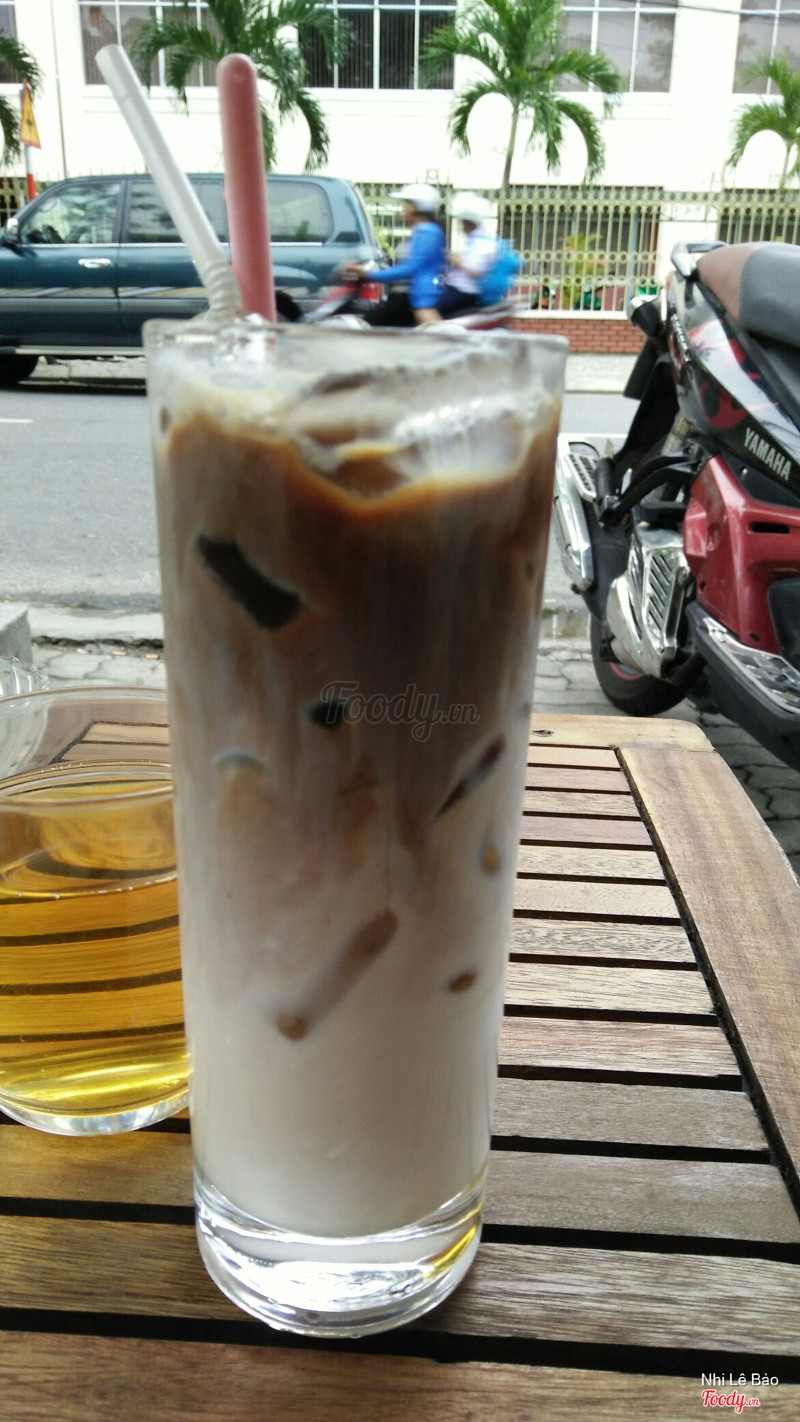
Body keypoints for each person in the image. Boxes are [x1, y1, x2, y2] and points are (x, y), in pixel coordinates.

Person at [347, 184, 445, 327]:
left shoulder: (427, 232)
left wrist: (370, 275)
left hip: (420, 298)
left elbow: (411, 268)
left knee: (368, 324)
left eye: (406, 204)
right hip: (413, 296)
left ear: (416, 207)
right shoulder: (423, 232)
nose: (403, 208)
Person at [434, 193, 498, 320]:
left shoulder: (481, 242)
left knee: (429, 310)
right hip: (458, 290)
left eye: (463, 223)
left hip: (463, 292)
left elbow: (475, 271)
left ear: (468, 224)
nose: (461, 228)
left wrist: (457, 261)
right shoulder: (476, 240)